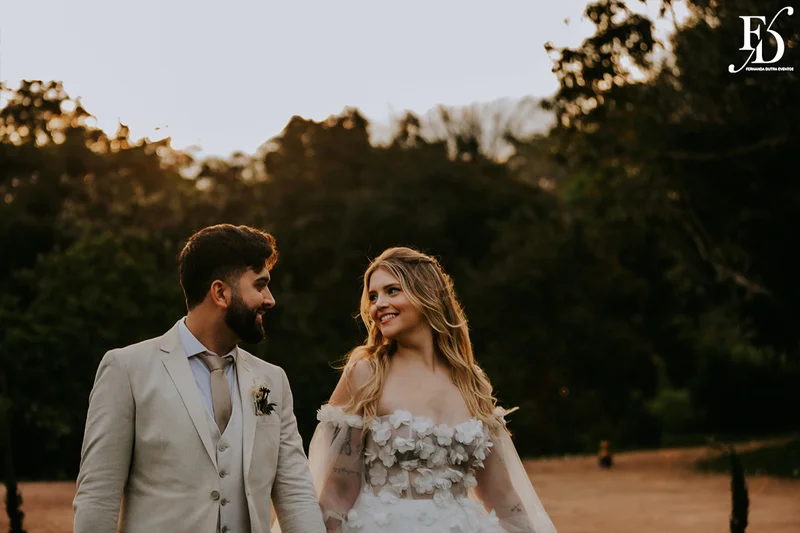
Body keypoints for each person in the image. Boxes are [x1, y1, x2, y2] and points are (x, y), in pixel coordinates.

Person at [73, 224, 325, 533]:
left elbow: (296, 494)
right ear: (220, 292)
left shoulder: (273, 380)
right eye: (260, 286)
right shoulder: (127, 369)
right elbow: (98, 496)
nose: (270, 299)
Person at [307, 247, 557, 533]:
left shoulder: (471, 383)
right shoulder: (367, 374)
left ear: (426, 293)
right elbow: (339, 489)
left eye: (392, 291)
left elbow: (502, 495)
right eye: (373, 296)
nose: (379, 305)